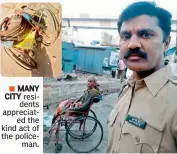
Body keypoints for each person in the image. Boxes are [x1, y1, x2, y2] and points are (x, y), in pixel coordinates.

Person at [106, 1, 177, 153]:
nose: (132, 44)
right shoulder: (126, 89)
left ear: (166, 43)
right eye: (125, 36)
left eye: (145, 34)